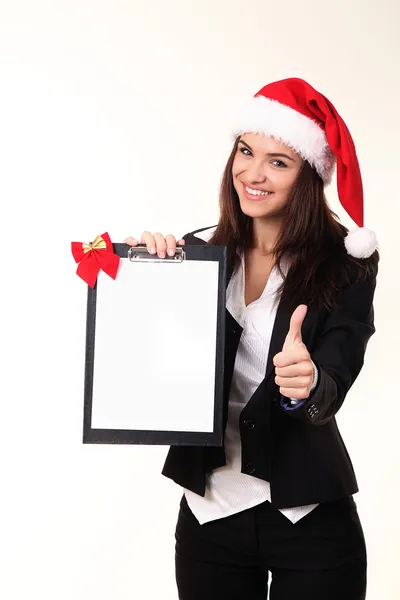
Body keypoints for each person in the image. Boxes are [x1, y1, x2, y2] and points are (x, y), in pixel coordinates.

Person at [125, 78, 379, 600]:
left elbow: (338, 369)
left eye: (278, 162)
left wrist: (309, 382)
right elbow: (148, 367)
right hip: (210, 514)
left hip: (310, 519)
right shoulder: (194, 258)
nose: (252, 173)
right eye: (245, 151)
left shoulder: (346, 265)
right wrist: (145, 275)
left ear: (307, 176)